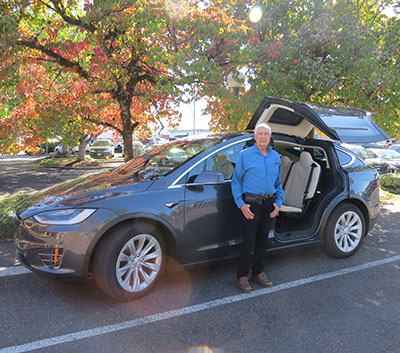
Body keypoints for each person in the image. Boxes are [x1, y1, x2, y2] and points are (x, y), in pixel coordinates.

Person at [231, 123, 284, 293]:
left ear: (270, 137)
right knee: (249, 241)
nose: (263, 137)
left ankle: (258, 273)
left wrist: (279, 202)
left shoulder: (276, 157)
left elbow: (278, 184)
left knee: (263, 241)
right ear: (255, 136)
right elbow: (236, 182)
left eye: (266, 134)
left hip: (269, 204)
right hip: (251, 204)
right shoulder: (245, 155)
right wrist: (241, 205)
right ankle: (242, 276)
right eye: (260, 134)